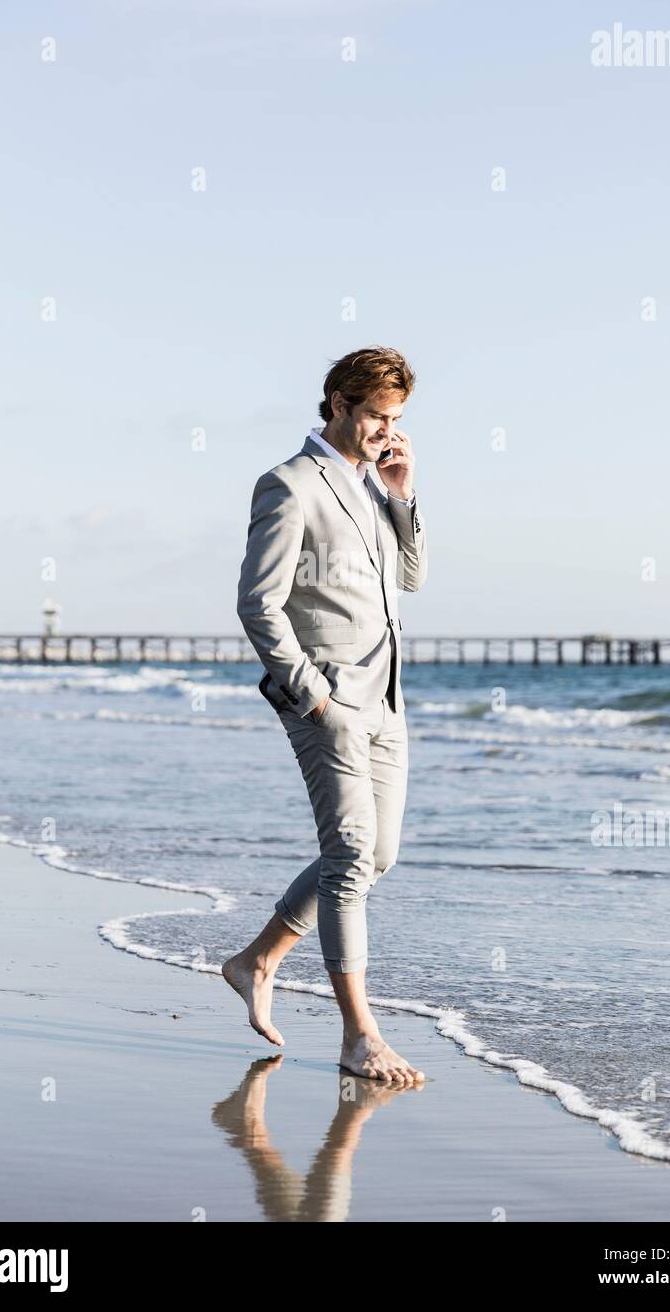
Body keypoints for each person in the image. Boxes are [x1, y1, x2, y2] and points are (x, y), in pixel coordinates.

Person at [225, 346, 428, 1083]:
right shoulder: (288, 485)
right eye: (377, 416)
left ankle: (257, 960)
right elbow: (259, 603)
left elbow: (411, 577)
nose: (387, 431)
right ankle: (360, 1035)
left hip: (388, 697)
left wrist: (401, 494)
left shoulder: (374, 485)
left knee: (378, 857)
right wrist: (312, 692)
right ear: (338, 404)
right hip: (328, 700)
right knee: (349, 855)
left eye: (396, 419)